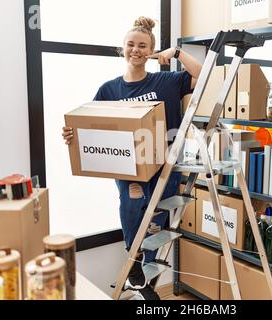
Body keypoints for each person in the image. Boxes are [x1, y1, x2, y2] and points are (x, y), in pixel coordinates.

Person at [62, 17, 202, 300]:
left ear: (151, 51)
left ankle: (145, 282)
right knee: (132, 207)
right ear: (122, 49)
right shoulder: (109, 90)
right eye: (130, 45)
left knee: (156, 222)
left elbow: (203, 76)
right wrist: (71, 135)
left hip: (164, 165)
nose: (135, 50)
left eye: (142, 46)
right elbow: (91, 127)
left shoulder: (167, 81)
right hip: (128, 168)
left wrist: (175, 52)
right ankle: (136, 267)